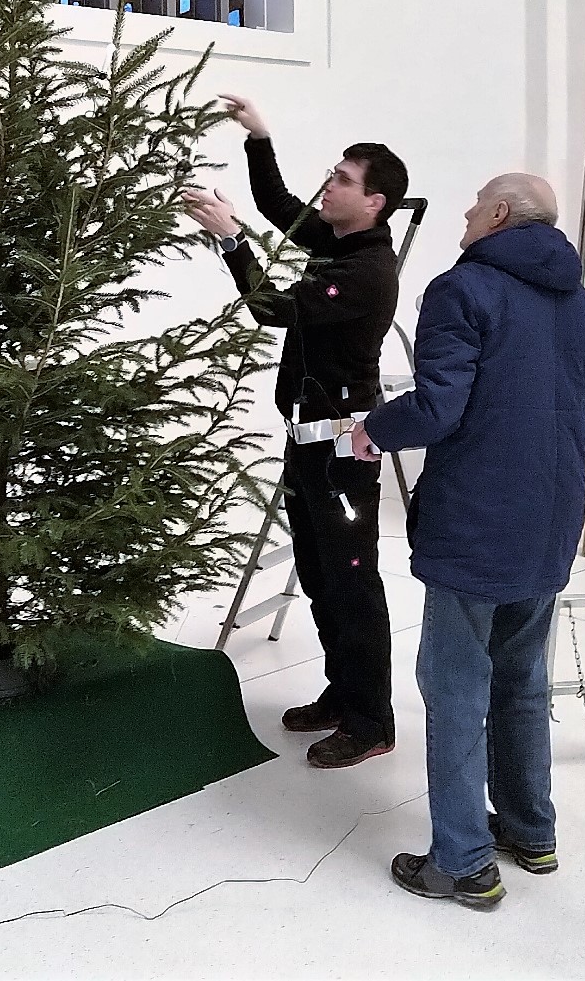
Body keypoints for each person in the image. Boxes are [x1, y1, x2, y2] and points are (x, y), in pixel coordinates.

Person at [351, 172, 585, 907]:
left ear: (499, 214)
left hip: (476, 523)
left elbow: (437, 408)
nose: (465, 214)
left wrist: (374, 429)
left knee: (456, 685)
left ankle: (463, 862)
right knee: (523, 678)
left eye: (475, 204)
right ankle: (531, 829)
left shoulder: (461, 291)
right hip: (550, 522)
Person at [182, 95, 409, 769]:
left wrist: (229, 238)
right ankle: (344, 694)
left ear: (373, 202)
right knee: (318, 572)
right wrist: (259, 136)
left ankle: (372, 719)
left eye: (342, 179)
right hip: (309, 437)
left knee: (352, 579)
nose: (328, 184)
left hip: (343, 447)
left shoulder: (366, 269)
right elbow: (280, 204)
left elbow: (269, 307)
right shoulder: (338, 238)